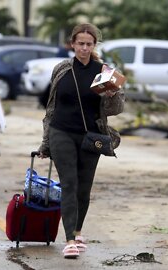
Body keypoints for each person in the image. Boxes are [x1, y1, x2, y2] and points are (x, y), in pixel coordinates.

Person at [38, 23, 124, 259]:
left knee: (84, 188)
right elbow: (51, 108)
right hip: (61, 132)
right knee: (69, 184)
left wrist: (112, 94)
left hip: (91, 136)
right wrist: (45, 143)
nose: (84, 48)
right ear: (72, 44)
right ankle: (69, 240)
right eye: (80, 44)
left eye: (89, 44)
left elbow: (116, 109)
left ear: (94, 45)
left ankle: (77, 229)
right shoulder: (62, 69)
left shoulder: (104, 72)